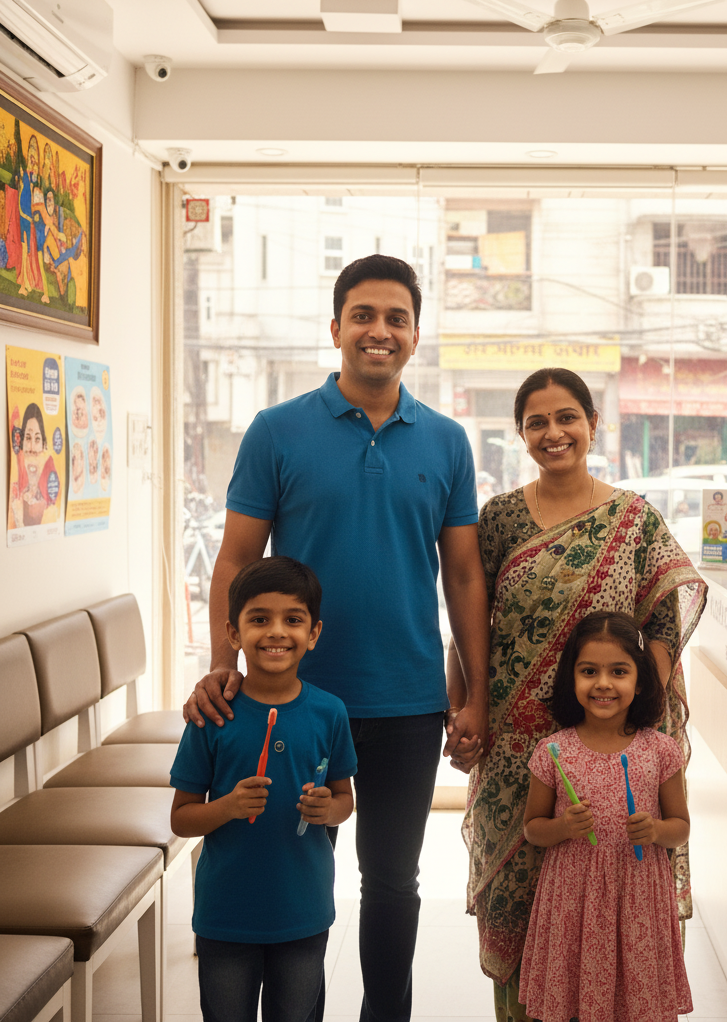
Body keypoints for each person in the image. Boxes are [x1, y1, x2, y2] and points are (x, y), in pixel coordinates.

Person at [183, 255, 491, 1022]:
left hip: (407, 700)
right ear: (336, 329)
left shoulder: (448, 442)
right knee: (287, 865)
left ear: (415, 336)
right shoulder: (276, 431)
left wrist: (477, 692)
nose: (378, 331)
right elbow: (234, 559)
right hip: (290, 701)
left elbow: (461, 576)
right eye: (363, 315)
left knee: (392, 881)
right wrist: (223, 667)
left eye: (395, 318)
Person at [449, 367, 706, 1020]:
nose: (554, 432)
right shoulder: (500, 518)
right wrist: (467, 708)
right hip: (516, 746)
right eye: (537, 422)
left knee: (608, 900)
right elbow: (468, 624)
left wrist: (639, 726)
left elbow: (663, 627)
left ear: (595, 423)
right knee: (519, 896)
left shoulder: (634, 520)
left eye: (568, 417)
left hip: (608, 747)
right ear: (520, 435)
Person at [170, 556, 357, 1022]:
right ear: (233, 634)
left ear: (313, 633)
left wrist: (326, 810)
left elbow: (345, 800)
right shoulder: (212, 715)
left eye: (292, 620)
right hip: (225, 916)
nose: (276, 632)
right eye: (259, 620)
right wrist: (228, 807)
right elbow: (181, 817)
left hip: (304, 913)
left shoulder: (330, 713)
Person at [519, 611, 693, 1022]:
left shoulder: (661, 750)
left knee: (636, 998)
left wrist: (655, 831)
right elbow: (533, 828)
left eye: (618, 671)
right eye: (588, 671)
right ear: (571, 677)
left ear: (639, 679)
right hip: (573, 897)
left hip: (638, 895)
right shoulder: (551, 752)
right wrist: (562, 828)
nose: (603, 683)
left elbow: (681, 828)